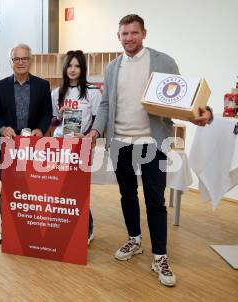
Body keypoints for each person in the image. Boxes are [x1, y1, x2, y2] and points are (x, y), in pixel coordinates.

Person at [87, 14, 213, 287]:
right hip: (120, 143)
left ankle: (160, 256)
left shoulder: (163, 61)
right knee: (127, 195)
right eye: (124, 34)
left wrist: (196, 115)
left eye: (134, 33)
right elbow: (106, 105)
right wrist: (96, 131)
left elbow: (179, 99)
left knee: (155, 201)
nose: (129, 38)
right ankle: (134, 240)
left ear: (144, 34)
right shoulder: (112, 67)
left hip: (152, 143)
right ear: (118, 36)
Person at [0, 43, 53, 243]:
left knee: (34, 189)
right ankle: (7, 227)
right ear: (11, 62)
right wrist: (1, 128)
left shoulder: (43, 85)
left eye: (24, 58)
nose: (20, 62)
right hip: (9, 147)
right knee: (9, 190)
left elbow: (47, 113)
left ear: (30, 61)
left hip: (34, 148)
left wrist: (41, 130)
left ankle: (32, 228)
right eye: (16, 59)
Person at [51, 50, 102, 245]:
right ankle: (64, 225)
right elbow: (53, 123)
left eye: (77, 66)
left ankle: (87, 228)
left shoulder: (93, 91)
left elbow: (97, 119)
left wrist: (87, 135)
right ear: (65, 68)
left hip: (80, 145)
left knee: (78, 189)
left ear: (83, 69)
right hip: (59, 144)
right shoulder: (56, 92)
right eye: (70, 65)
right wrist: (60, 116)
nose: (73, 70)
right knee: (59, 188)